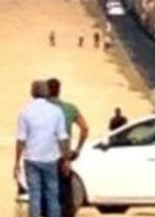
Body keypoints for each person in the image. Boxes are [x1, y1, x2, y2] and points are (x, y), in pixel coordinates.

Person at [15, 81, 70, 217]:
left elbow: (21, 139)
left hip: (31, 158)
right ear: (47, 93)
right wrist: (66, 159)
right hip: (50, 158)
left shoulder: (25, 111)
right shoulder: (56, 111)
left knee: (35, 195)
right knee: (52, 194)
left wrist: (16, 161)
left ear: (32, 92)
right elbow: (62, 137)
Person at [47, 78, 89, 217]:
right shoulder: (70, 109)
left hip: (44, 155)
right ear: (59, 90)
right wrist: (77, 150)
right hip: (63, 156)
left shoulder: (40, 109)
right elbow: (84, 129)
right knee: (65, 193)